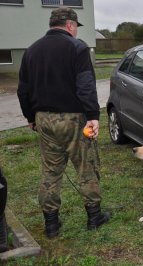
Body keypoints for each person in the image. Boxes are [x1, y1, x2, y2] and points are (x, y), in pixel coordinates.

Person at [17, 7, 110, 238]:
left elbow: (23, 90)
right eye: (76, 27)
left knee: (50, 171)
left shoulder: (31, 51)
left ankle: (51, 224)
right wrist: (93, 117)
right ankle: (94, 216)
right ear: (70, 25)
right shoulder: (78, 49)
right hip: (73, 119)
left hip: (44, 119)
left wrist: (31, 117)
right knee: (85, 167)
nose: (76, 32)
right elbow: (86, 86)